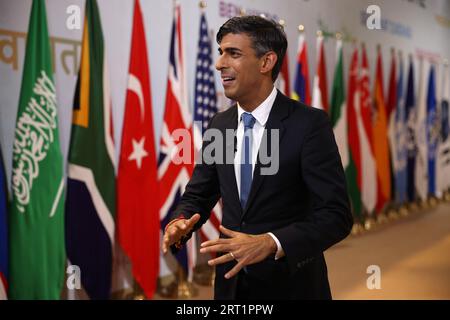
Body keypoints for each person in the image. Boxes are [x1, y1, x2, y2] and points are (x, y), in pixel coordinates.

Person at [162, 15, 353, 300]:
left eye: (233, 53)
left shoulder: (308, 125)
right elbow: (200, 193)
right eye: (220, 52)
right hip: (231, 287)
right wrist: (181, 219)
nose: (219, 64)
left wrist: (271, 242)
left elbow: (336, 215)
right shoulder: (220, 125)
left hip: (291, 286)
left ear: (267, 62)